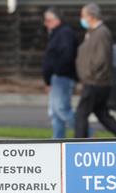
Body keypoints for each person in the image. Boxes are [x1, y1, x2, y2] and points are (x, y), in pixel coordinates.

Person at [74, 3, 116, 138]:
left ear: (91, 16)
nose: (81, 19)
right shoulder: (93, 33)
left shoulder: (102, 33)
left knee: (81, 114)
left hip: (96, 82)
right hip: (95, 81)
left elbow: (101, 59)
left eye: (83, 16)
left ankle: (78, 145)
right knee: (102, 114)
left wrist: (88, 74)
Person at [42, 7, 78, 139]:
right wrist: (48, 79)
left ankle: (86, 132)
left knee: (62, 110)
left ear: (57, 20)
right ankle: (57, 141)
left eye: (48, 20)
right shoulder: (56, 33)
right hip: (55, 78)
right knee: (55, 113)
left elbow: (66, 55)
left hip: (62, 77)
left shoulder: (64, 33)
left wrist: (57, 72)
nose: (46, 24)